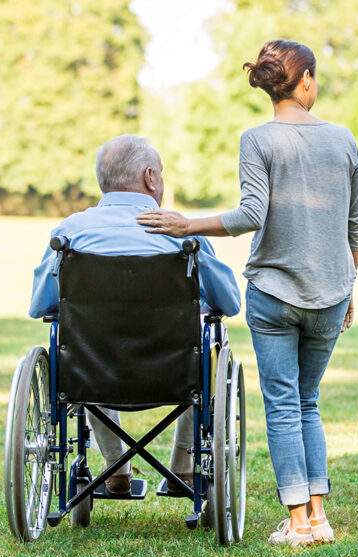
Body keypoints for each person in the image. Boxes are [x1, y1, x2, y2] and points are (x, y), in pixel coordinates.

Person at [138, 39, 358, 547]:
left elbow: (250, 216)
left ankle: (298, 523)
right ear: (304, 79)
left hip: (273, 292)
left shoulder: (257, 140)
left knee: (284, 404)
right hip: (331, 292)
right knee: (309, 401)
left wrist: (186, 224)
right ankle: (319, 516)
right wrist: (348, 288)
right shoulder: (344, 140)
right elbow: (357, 228)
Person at [29, 134, 241, 496]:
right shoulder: (181, 234)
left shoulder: (70, 234)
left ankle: (116, 471)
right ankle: (185, 470)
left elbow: (41, 307)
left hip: (93, 373)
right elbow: (231, 304)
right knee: (206, 347)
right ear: (150, 178)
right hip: (174, 372)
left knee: (84, 343)